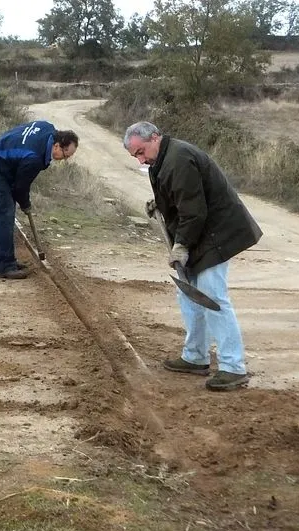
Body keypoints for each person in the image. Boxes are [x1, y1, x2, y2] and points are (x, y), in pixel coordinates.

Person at [123, 121, 262, 391]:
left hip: (215, 233)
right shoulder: (161, 160)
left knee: (212, 297)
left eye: (141, 152)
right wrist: (161, 203)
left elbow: (194, 210)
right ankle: (195, 356)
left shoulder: (178, 159)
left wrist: (182, 245)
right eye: (135, 156)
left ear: (154, 138)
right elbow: (180, 196)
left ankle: (233, 368)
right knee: (188, 296)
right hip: (200, 232)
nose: (141, 159)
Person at [0, 120, 78, 279]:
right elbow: (20, 188)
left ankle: (8, 259)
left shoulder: (48, 127)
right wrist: (26, 205)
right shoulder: (34, 159)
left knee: (8, 209)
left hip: (4, 158)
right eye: (65, 155)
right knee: (4, 212)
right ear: (57, 145)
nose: (64, 159)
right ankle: (4, 265)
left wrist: (21, 200)